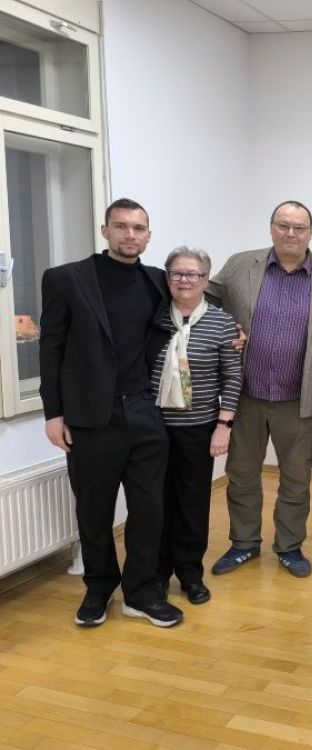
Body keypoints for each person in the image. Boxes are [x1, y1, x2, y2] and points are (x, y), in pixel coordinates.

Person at [39, 198, 183, 628]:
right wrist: (53, 413)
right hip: (89, 418)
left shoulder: (157, 281)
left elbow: (195, 306)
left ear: (149, 235)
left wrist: (235, 332)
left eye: (138, 228)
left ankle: (140, 592)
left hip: (144, 412)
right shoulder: (66, 279)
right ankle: (99, 588)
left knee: (149, 511)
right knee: (94, 512)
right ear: (105, 231)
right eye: (121, 226)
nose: (130, 235)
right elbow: (51, 347)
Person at [207, 201, 312, 578]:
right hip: (245, 395)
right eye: (283, 225)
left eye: (299, 227)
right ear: (271, 227)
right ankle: (243, 543)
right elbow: (206, 301)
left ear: (311, 233)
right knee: (241, 475)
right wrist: (224, 332)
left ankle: (289, 546)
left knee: (297, 480)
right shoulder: (240, 266)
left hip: (298, 401)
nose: (290, 233)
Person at [149, 247, 243, 605]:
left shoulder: (223, 323)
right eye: (177, 273)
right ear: (167, 278)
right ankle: (158, 574)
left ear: (206, 279)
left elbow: (232, 376)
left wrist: (224, 425)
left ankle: (190, 574)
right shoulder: (153, 319)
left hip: (199, 427)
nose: (184, 280)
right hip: (154, 428)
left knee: (192, 503)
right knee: (156, 503)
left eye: (193, 274)